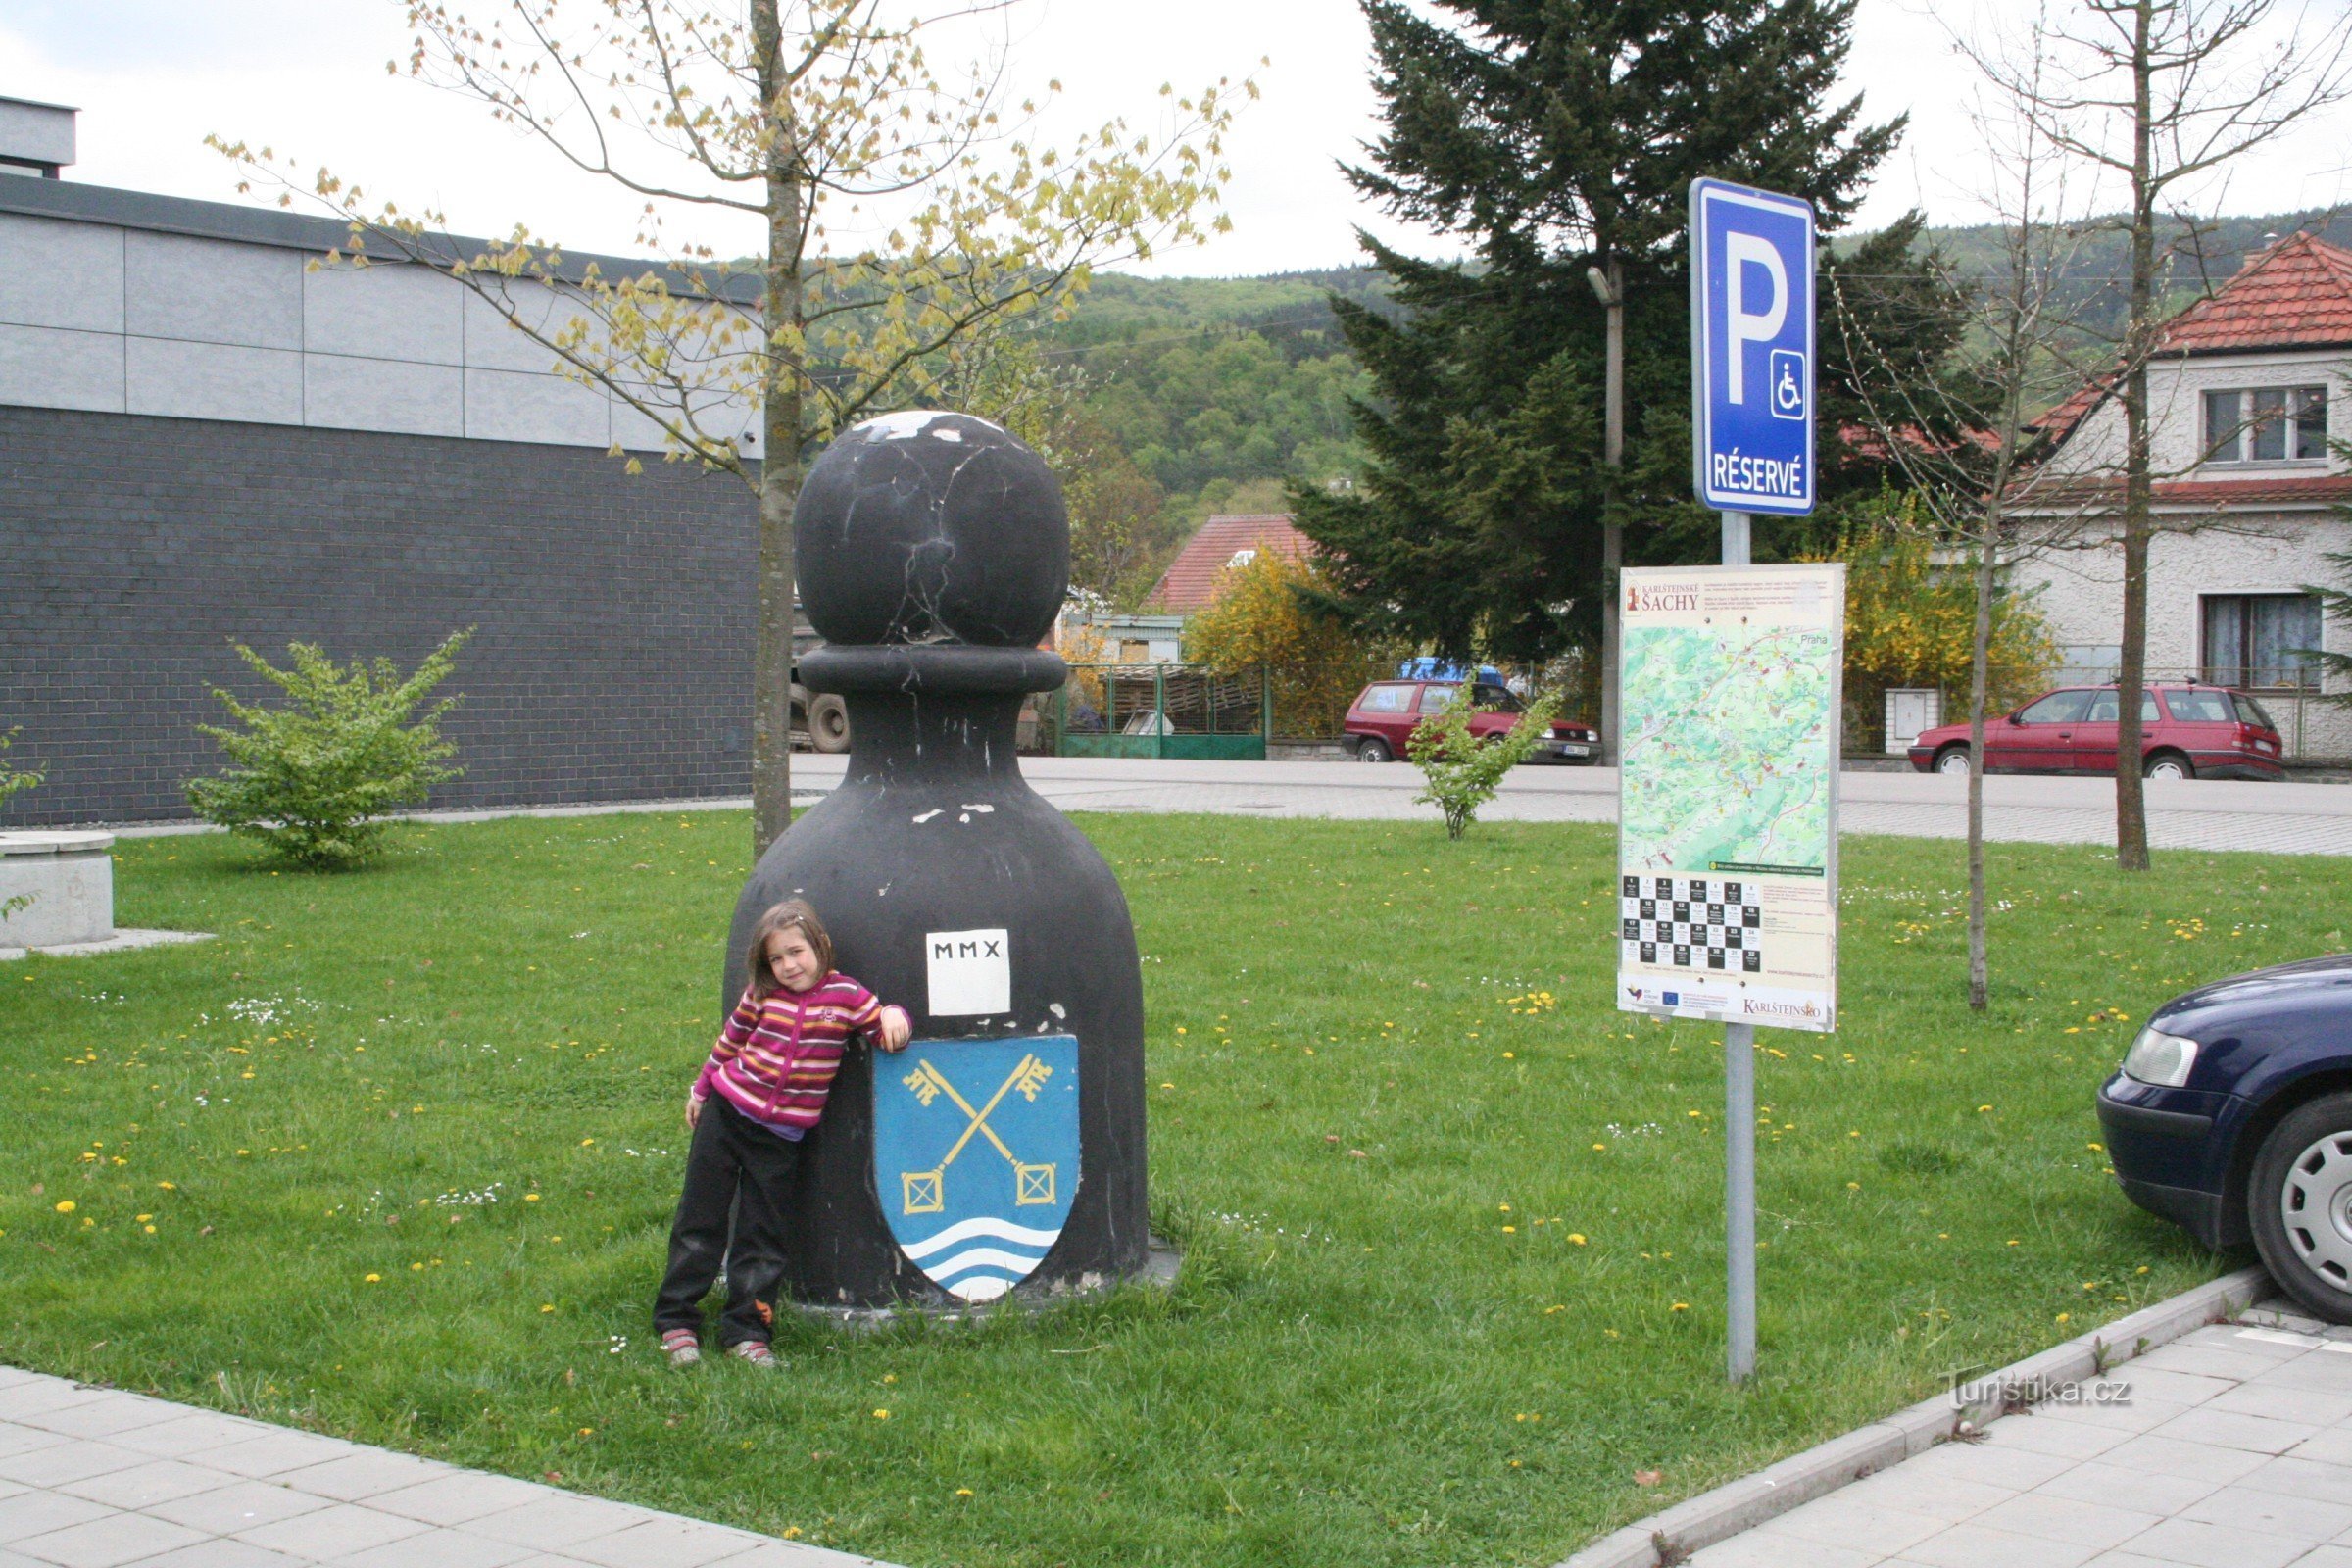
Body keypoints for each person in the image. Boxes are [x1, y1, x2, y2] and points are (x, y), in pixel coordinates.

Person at [653, 899, 911, 1366]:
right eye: (776, 958)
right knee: (700, 1219)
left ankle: (747, 1331)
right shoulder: (761, 994)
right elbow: (730, 1042)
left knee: (762, 1235)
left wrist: (895, 1015)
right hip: (726, 1116)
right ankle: (677, 1320)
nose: (789, 966)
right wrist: (701, 1089)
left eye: (796, 952)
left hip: (780, 1138)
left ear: (820, 946)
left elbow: (880, 1026)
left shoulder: (846, 996)